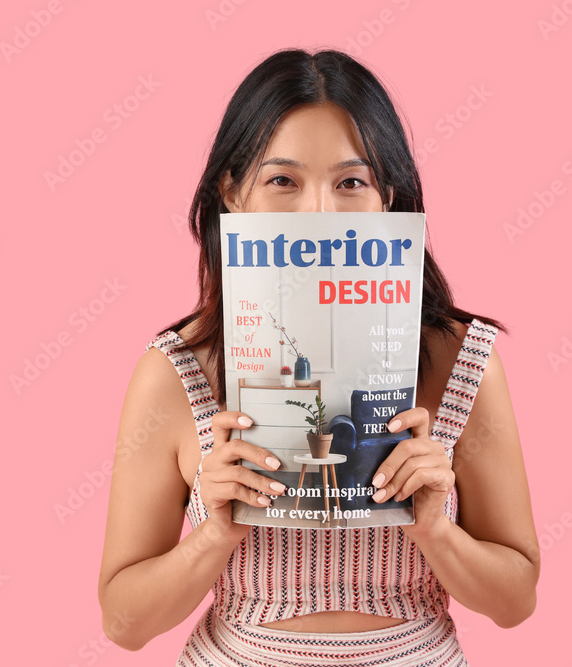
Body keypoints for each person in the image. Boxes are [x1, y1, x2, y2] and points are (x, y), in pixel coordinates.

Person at [98, 48, 539, 666]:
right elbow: (123, 622)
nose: (319, 213)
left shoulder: (463, 360)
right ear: (232, 193)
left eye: (350, 182)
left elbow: (516, 601)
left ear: (387, 197)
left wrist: (437, 531)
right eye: (283, 181)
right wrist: (214, 535)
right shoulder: (173, 371)